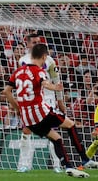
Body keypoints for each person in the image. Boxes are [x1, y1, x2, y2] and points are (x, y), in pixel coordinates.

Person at [2, 43, 96, 178]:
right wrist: (55, 88)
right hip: (41, 112)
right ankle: (85, 159)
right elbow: (45, 84)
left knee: (57, 139)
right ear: (44, 56)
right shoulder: (39, 71)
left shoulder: (17, 72)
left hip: (28, 119)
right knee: (70, 124)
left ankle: (68, 167)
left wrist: (18, 108)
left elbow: (6, 91)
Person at [16, 34, 63, 173]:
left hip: (48, 99)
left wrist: (60, 101)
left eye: (39, 42)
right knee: (26, 130)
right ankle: (24, 165)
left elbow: (56, 81)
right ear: (28, 44)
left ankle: (57, 165)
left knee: (52, 132)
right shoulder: (22, 61)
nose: (37, 44)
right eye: (34, 42)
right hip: (30, 100)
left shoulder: (49, 60)